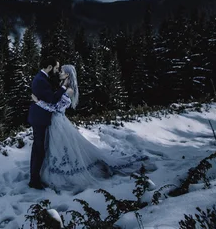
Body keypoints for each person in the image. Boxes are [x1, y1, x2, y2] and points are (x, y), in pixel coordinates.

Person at [32, 64, 148, 193]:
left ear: (68, 75)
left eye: (62, 72)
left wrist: (38, 102)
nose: (59, 73)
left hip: (59, 122)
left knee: (61, 149)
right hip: (54, 122)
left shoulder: (69, 90)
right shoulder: (63, 87)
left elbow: (55, 107)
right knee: (55, 149)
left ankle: (64, 174)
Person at [27, 57, 67, 190]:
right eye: (55, 68)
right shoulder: (41, 80)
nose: (56, 71)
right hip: (40, 119)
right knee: (39, 149)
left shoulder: (41, 78)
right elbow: (52, 99)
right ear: (49, 67)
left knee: (38, 148)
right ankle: (34, 180)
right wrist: (63, 87)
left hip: (39, 117)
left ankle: (35, 176)